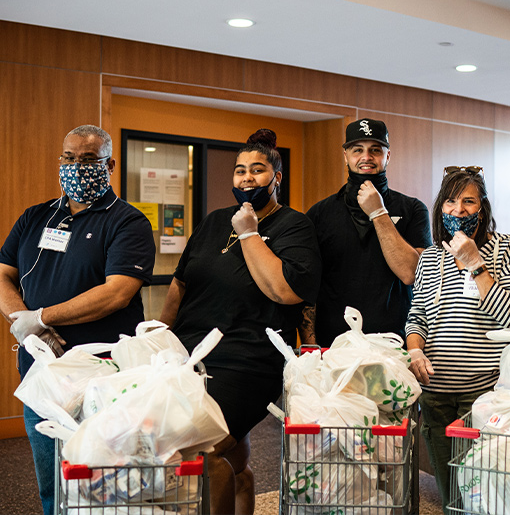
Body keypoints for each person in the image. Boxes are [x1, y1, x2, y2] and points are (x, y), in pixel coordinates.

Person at [159, 129, 321, 515]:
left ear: (276, 177)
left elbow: (284, 291)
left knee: (206, 449)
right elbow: (180, 284)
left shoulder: (294, 227)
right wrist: (160, 335)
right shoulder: (215, 221)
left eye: (258, 170)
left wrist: (250, 233)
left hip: (250, 357)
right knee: (232, 452)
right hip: (192, 351)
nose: (246, 178)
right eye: (239, 170)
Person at [0, 125, 156, 515]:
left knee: (106, 483)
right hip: (41, 376)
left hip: (101, 378)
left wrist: (41, 317)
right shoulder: (35, 217)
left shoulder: (127, 222)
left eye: (88, 160)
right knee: (52, 483)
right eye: (69, 159)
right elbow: (3, 274)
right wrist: (22, 318)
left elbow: (117, 291)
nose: (76, 168)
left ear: (110, 165)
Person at [405, 166, 510, 514]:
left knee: (484, 489)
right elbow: (417, 316)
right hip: (435, 388)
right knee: (452, 496)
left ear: (482, 208)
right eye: (450, 201)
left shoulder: (505, 248)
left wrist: (475, 263)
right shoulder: (430, 257)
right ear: (440, 208)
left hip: (485, 392)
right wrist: (414, 351)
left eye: (468, 201)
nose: (458, 210)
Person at [304, 118, 431, 346]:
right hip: (334, 346)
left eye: (375, 150)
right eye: (357, 150)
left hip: (394, 343)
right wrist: (311, 344)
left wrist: (379, 213)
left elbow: (411, 273)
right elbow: (309, 287)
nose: (366, 157)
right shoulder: (319, 214)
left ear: (387, 156)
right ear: (345, 156)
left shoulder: (413, 209)